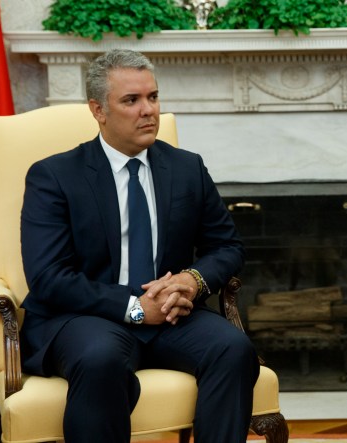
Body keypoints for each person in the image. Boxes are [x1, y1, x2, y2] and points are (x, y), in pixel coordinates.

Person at [19, 49, 259, 443]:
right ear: (98, 110)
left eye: (153, 97)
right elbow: (49, 277)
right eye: (131, 100)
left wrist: (191, 281)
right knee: (100, 359)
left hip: (171, 314)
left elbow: (227, 246)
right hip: (86, 317)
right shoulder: (54, 175)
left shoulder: (187, 168)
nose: (149, 110)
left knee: (234, 349)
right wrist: (133, 308)